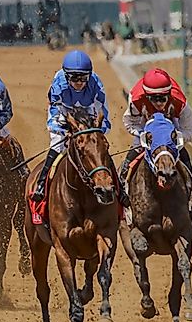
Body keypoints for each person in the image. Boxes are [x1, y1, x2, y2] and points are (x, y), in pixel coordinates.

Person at [29, 49, 127, 206]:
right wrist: (65, 132)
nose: (80, 82)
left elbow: (104, 116)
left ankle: (119, 190)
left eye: (83, 78)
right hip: (65, 111)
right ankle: (41, 184)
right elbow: (53, 117)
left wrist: (96, 132)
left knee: (97, 148)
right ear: (67, 76)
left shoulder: (96, 85)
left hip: (88, 112)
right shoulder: (58, 86)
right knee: (57, 144)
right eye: (75, 78)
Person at [122, 67, 192, 207]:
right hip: (144, 125)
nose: (159, 103)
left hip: (171, 125)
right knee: (134, 151)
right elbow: (129, 123)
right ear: (147, 96)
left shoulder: (180, 103)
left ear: (169, 94)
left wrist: (177, 138)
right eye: (154, 99)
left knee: (183, 155)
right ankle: (122, 185)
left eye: (162, 99)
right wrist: (141, 135)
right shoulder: (136, 100)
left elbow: (189, 131)